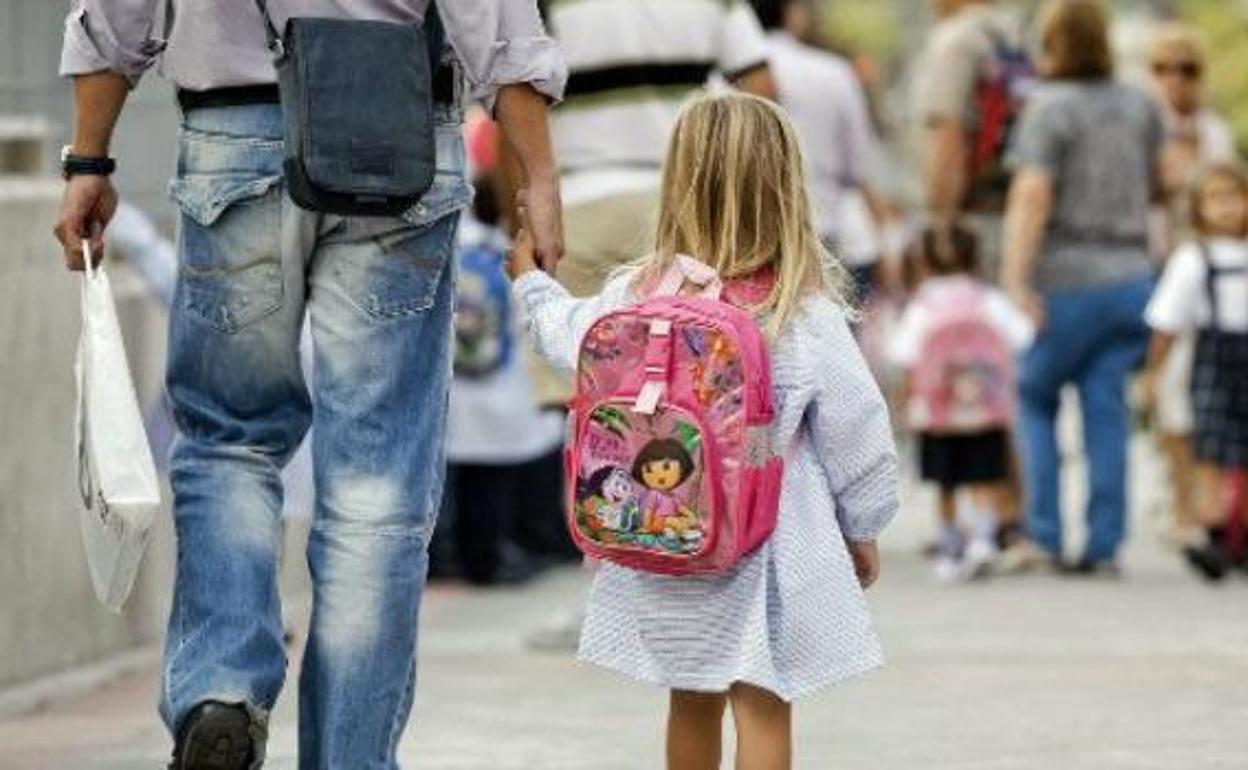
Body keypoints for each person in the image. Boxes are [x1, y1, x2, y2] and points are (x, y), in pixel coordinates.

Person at [52, 2, 566, 767]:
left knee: (230, 440)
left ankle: (221, 683)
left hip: (234, 136)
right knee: (377, 489)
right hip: (399, 141)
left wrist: (89, 160)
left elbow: (118, 11)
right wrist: (540, 175)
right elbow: (493, 19)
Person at [510, 92, 899, 770]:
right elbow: (856, 427)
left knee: (689, 696)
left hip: (663, 535)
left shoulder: (638, 293)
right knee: (762, 700)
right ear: (787, 188)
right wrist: (861, 526)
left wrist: (532, 285)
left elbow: (569, 340)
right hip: (765, 543)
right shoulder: (800, 311)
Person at [1002, 0, 1163, 576]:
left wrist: (1015, 278)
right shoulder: (1141, 104)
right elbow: (1163, 187)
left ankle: (1044, 531)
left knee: (1035, 397)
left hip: (1067, 275)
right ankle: (1104, 542)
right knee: (1105, 406)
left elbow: (1031, 195)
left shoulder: (1048, 109)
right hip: (1130, 274)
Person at [889, 224, 1034, 582]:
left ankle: (951, 547)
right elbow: (1022, 335)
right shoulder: (987, 298)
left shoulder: (923, 304)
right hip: (985, 412)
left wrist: (908, 403)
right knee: (984, 478)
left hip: (938, 414)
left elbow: (904, 355)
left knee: (945, 483)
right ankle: (983, 540)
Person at [1145, 23, 1237, 546]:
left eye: (1185, 68)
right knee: (1168, 396)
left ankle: (1204, 503)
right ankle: (1181, 498)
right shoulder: (1145, 126)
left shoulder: (1214, 132)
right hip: (1159, 265)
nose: (1174, 80)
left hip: (1211, 277)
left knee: (1200, 394)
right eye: (1162, 68)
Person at [1143, 164, 1248, 581]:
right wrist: (1154, 371)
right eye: (1215, 199)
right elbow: (1166, 323)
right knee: (1209, 451)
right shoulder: (1191, 260)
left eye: (1233, 197)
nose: (1225, 208)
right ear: (1199, 209)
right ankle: (1214, 529)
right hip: (1213, 362)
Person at [750, 0, 885, 304]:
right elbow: (857, 164)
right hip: (820, 230)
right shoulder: (832, 71)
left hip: (748, 238)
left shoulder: (724, 76)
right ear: (792, 12)